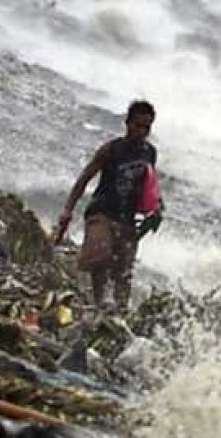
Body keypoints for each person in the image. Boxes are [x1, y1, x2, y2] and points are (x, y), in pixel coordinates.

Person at [53, 101, 165, 312]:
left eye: (146, 128)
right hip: (102, 210)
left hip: (127, 218)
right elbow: (84, 179)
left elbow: (150, 186)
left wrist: (156, 207)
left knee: (124, 270)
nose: (141, 132)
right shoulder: (111, 150)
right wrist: (68, 210)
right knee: (100, 254)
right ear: (127, 123)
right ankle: (98, 303)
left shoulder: (150, 153)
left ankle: (121, 312)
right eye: (137, 126)